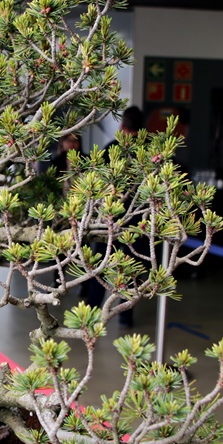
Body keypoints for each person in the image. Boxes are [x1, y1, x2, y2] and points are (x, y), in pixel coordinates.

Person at [86, 105, 145, 326]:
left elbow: (97, 184)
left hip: (110, 218)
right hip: (138, 220)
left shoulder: (112, 149)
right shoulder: (151, 153)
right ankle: (125, 316)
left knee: (100, 265)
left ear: (122, 126)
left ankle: (91, 314)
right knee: (131, 268)